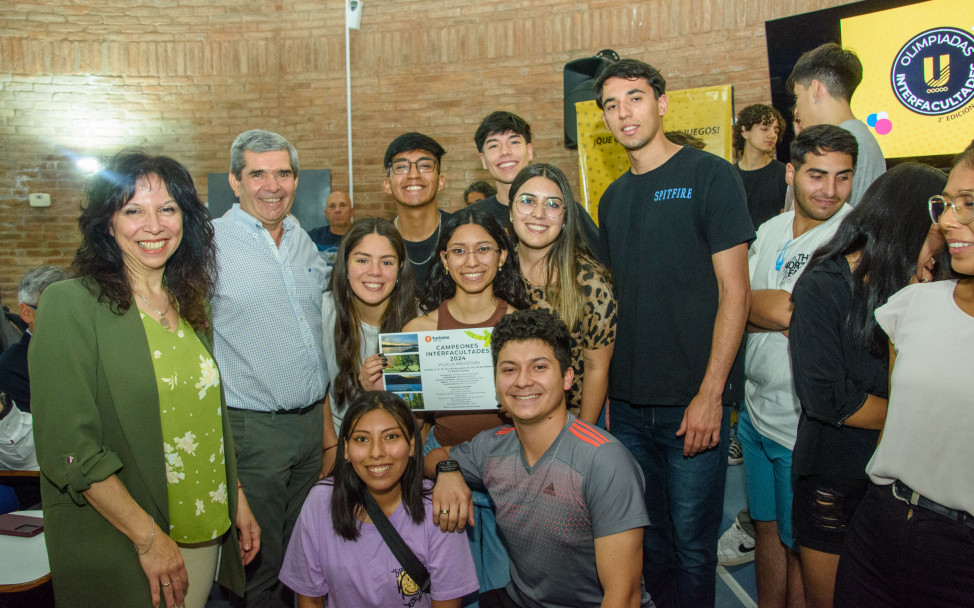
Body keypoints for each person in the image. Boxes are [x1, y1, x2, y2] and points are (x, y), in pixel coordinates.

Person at [29, 150, 260, 608]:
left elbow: (204, 415)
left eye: (167, 209)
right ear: (107, 223)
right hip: (126, 538)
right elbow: (68, 449)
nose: (153, 226)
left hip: (203, 526)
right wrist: (148, 539)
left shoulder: (191, 303)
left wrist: (235, 496)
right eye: (133, 210)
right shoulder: (70, 304)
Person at [594, 58, 754, 608]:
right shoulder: (612, 199)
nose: (624, 112)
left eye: (635, 98)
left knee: (692, 547)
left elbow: (736, 293)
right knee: (650, 541)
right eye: (612, 105)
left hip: (694, 406)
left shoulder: (709, 176)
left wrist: (711, 395)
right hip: (630, 410)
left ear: (661, 103)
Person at [788, 161, 947, 608]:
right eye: (935, 227)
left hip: (903, 490)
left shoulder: (924, 291)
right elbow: (828, 399)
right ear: (905, 225)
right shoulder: (824, 286)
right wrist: (915, 415)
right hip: (835, 481)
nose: (946, 238)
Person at [426, 308, 652, 608]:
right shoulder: (491, 448)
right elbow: (435, 456)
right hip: (521, 600)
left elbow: (624, 597)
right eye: (509, 369)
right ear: (495, 384)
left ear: (567, 378)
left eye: (539, 367)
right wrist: (449, 470)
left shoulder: (604, 461)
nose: (522, 381)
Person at [828, 145, 974, 607]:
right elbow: (899, 420)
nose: (948, 220)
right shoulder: (916, 305)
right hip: (880, 525)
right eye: (946, 203)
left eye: (968, 203)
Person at [741, 124, 860, 608]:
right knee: (767, 534)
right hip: (755, 415)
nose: (830, 190)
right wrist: (753, 308)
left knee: (805, 551)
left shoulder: (855, 239)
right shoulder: (769, 229)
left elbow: (796, 313)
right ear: (791, 172)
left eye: (843, 177)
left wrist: (745, 305)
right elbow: (738, 309)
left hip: (804, 428)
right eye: (816, 175)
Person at [211, 129, 331, 608]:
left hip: (309, 429)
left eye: (283, 173)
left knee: (305, 562)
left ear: (296, 180)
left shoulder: (304, 240)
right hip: (250, 430)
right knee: (256, 566)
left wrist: (326, 431)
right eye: (257, 174)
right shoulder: (207, 244)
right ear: (235, 181)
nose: (272, 185)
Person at [403, 207, 530, 599]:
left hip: (516, 473)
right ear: (443, 259)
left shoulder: (526, 326)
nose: (471, 262)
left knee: (516, 591)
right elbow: (405, 425)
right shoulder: (417, 330)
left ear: (502, 256)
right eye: (458, 251)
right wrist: (382, 388)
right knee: (449, 590)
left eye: (483, 250)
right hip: (440, 463)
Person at [281, 391, 479, 607]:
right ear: (346, 448)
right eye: (362, 439)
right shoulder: (321, 502)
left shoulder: (438, 505)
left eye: (391, 436)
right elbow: (310, 599)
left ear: (412, 444)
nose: (376, 452)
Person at [507, 162, 615, 423]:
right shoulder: (495, 268)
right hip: (502, 422)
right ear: (511, 210)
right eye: (527, 201)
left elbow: (596, 367)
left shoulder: (589, 281)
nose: (539, 213)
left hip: (569, 422)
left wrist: (581, 439)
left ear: (565, 217)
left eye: (553, 204)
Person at [322, 217, 418, 435]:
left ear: (400, 268)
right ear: (345, 264)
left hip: (396, 435)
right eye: (362, 260)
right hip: (337, 436)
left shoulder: (417, 320)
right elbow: (316, 392)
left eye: (386, 262)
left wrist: (379, 396)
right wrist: (330, 447)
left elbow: (418, 417)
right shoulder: (324, 310)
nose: (375, 272)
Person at [469, 111, 600, 253]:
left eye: (513, 142)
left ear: (529, 150)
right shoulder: (471, 218)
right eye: (494, 146)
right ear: (483, 159)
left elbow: (602, 264)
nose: (505, 152)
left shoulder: (565, 211)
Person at [786, 43, 885, 208]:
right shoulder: (861, 138)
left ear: (815, 89)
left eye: (797, 96)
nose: (797, 110)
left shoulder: (844, 146)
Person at [383, 132, 452, 295]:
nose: (414, 175)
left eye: (425, 166)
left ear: (441, 181)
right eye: (401, 167)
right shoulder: (379, 240)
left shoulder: (461, 233)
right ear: (387, 185)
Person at [0, 265, 69, 412]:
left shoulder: (88, 351)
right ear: (26, 313)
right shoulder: (11, 366)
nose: (67, 317)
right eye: (54, 309)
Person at [733, 103, 788, 229]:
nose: (773, 135)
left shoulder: (783, 174)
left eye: (776, 130)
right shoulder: (729, 175)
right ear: (745, 131)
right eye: (765, 128)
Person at [307, 190, 353, 268]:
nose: (337, 210)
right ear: (326, 214)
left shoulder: (362, 237)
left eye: (343, 205)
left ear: (351, 212)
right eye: (332, 206)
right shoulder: (312, 238)